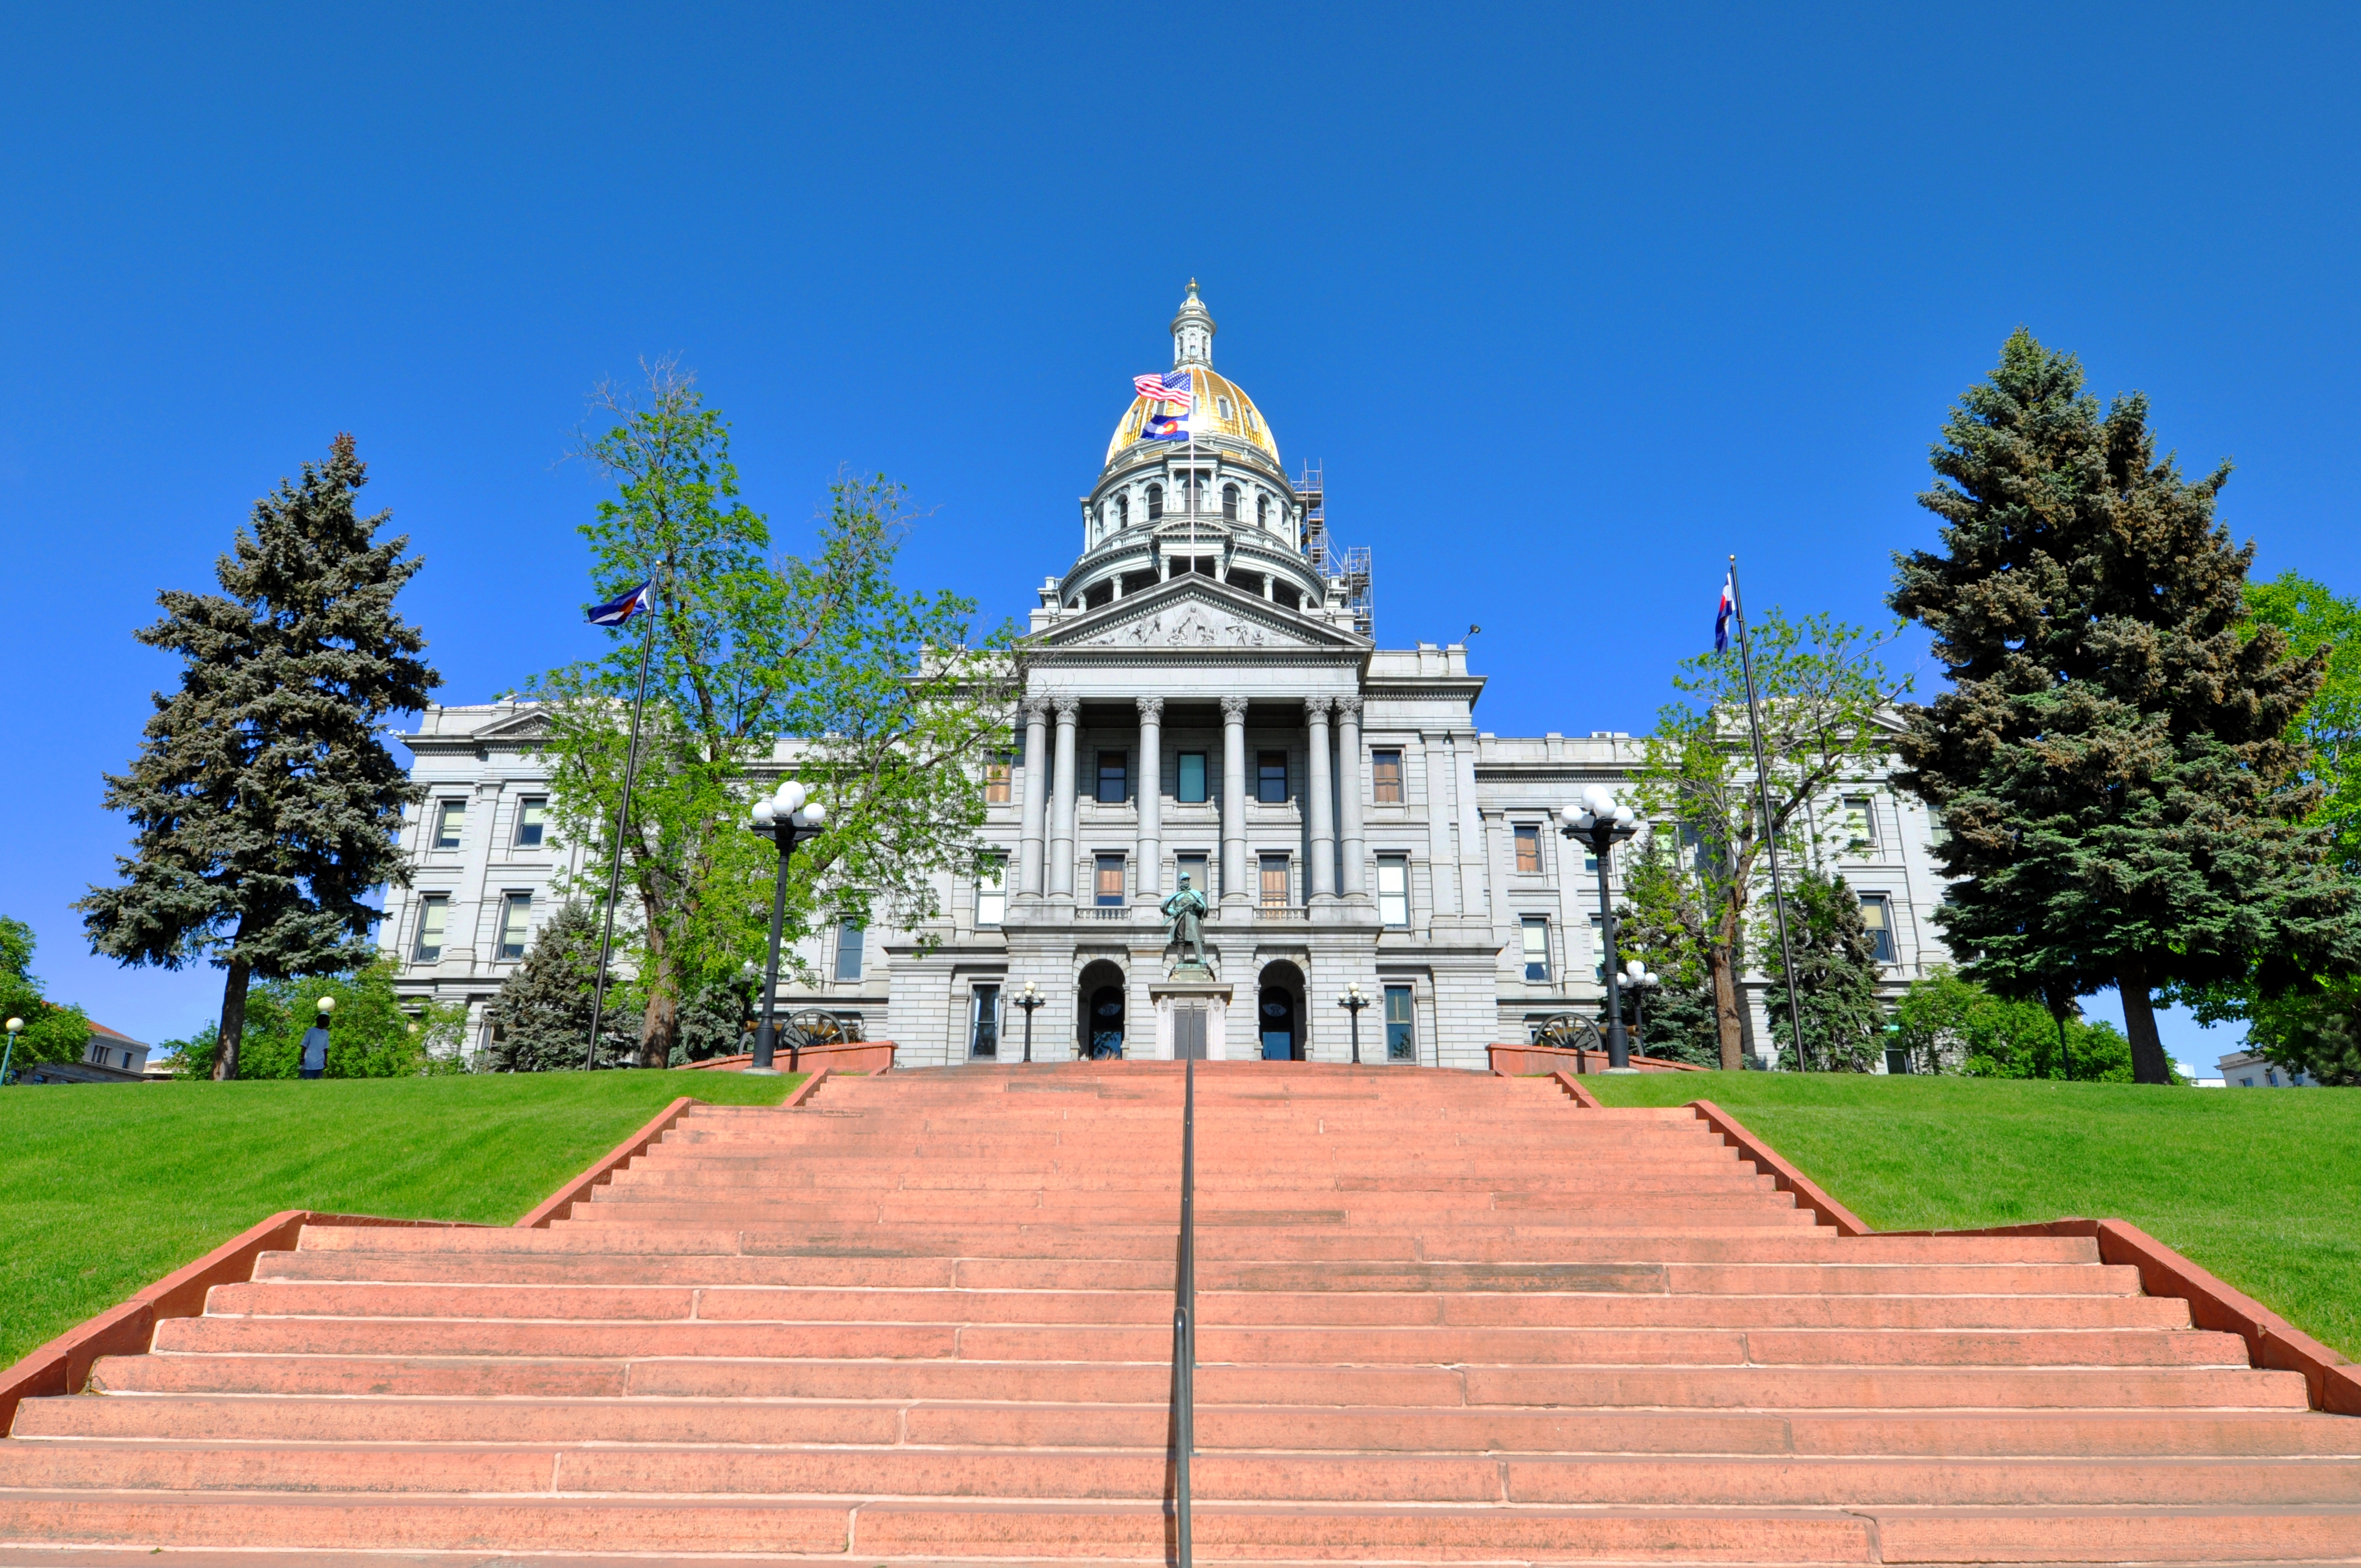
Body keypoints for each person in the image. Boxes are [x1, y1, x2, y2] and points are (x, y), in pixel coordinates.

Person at [299, 1005, 331, 1080]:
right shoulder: (311, 1031)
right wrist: (302, 1058)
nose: (329, 1022)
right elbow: (304, 1045)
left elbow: (326, 1048)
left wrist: (326, 1060)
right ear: (321, 1021)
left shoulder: (326, 1033)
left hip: (320, 1064)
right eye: (327, 1020)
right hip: (309, 1064)